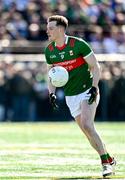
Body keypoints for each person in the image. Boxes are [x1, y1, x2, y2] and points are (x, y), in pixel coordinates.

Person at [45, 15, 116, 177]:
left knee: (87, 125)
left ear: (61, 29)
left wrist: (94, 87)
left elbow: (95, 66)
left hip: (87, 90)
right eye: (47, 27)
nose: (47, 31)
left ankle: (106, 165)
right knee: (87, 131)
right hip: (70, 96)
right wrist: (52, 93)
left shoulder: (78, 45)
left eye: (51, 28)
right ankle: (109, 158)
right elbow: (51, 73)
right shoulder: (49, 51)